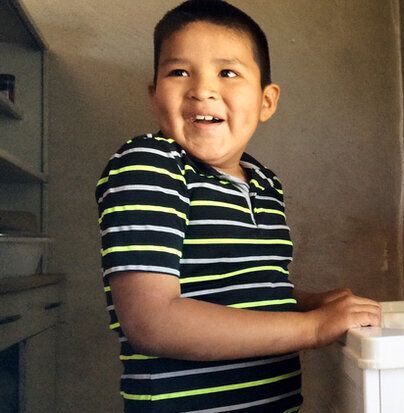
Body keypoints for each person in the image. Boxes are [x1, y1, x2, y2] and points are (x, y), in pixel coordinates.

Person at [95, 1, 381, 411]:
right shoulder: (149, 164)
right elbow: (151, 321)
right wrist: (312, 326)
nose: (202, 89)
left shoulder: (264, 183)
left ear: (267, 101)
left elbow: (244, 289)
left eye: (227, 72)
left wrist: (309, 302)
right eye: (179, 72)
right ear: (155, 95)